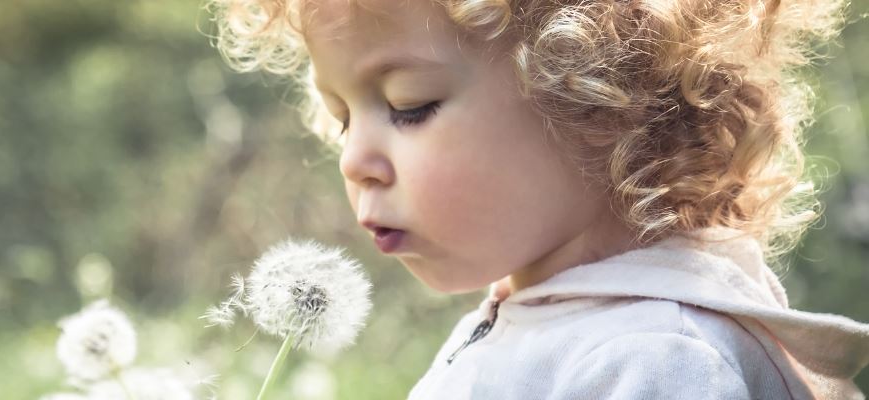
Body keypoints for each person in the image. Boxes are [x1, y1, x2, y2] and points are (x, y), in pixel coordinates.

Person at [204, 0, 869, 397]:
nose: (353, 159)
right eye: (344, 116)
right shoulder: (550, 324)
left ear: (595, 94)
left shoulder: (655, 360)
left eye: (409, 106)